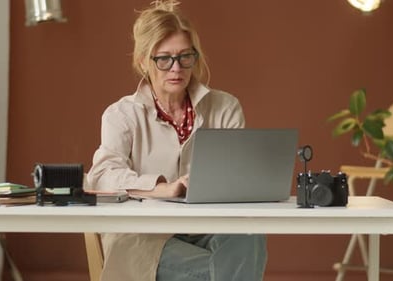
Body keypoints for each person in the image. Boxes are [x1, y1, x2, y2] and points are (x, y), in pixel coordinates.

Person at [86, 1, 267, 280]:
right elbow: (102, 177)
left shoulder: (225, 107)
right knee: (219, 272)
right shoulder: (120, 114)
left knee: (249, 236)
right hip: (143, 236)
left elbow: (237, 176)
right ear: (143, 61)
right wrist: (162, 187)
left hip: (207, 228)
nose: (176, 68)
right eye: (164, 59)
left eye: (185, 57)